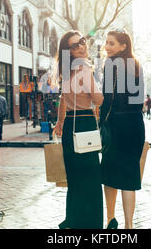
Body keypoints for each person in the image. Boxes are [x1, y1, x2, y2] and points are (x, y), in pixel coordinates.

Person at [52, 30, 104, 229]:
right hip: (85, 125)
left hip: (70, 128)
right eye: (75, 45)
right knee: (90, 178)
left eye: (82, 41)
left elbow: (63, 101)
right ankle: (90, 224)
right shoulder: (83, 69)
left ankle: (73, 220)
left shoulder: (66, 72)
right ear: (69, 51)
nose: (82, 46)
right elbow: (97, 99)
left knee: (74, 178)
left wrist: (60, 123)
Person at [100, 29, 145, 230]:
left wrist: (101, 123)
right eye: (106, 43)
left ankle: (110, 219)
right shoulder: (136, 65)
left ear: (123, 46)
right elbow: (139, 100)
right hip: (135, 125)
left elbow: (107, 100)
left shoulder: (111, 65)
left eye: (111, 43)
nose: (107, 47)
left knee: (109, 174)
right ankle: (129, 225)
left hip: (116, 126)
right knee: (129, 177)